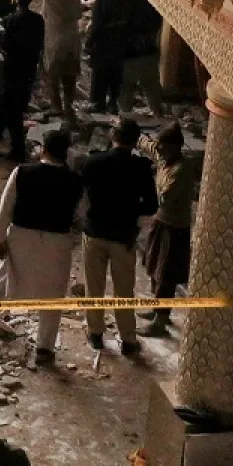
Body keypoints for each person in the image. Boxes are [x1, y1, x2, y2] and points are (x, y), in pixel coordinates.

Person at [0, 128, 83, 365]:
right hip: (57, 241)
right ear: (66, 154)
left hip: (21, 235)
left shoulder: (23, 172)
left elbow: (5, 209)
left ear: (43, 150)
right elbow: (81, 216)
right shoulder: (75, 181)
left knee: (9, 276)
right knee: (53, 296)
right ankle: (44, 347)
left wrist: (0, 238)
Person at [80, 117, 159, 355]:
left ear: (113, 137)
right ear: (135, 142)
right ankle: (128, 339)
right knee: (124, 290)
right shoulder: (141, 168)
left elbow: (82, 192)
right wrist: (131, 210)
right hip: (123, 235)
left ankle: (95, 334)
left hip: (95, 231)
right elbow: (151, 206)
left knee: (94, 286)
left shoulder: (94, 161)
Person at [139, 123, 196, 337]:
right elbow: (149, 146)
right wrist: (135, 136)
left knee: (166, 274)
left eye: (164, 146)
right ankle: (157, 309)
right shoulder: (164, 156)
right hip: (161, 223)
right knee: (154, 268)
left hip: (175, 228)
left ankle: (161, 321)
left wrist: (145, 184)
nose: (159, 150)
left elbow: (165, 198)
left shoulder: (181, 170)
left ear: (176, 147)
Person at [20, 0, 83, 120]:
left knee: (52, 73)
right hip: (73, 37)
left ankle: (56, 106)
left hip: (54, 36)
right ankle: (68, 107)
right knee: (69, 75)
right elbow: (78, 14)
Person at [0, 0, 46, 162]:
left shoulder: (13, 20)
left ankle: (18, 149)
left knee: (12, 107)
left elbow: (6, 44)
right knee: (8, 99)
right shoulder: (38, 20)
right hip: (28, 68)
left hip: (13, 66)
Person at [85, 0, 132, 113]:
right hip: (121, 39)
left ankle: (98, 103)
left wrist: (88, 43)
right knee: (115, 73)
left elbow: (97, 25)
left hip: (104, 41)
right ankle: (113, 102)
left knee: (100, 74)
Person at [118, 0, 165, 116]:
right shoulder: (152, 4)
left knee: (125, 88)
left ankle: (124, 119)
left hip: (128, 53)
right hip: (148, 51)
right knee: (151, 86)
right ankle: (158, 114)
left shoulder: (123, 7)